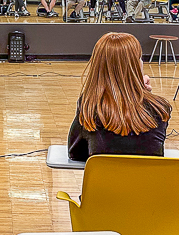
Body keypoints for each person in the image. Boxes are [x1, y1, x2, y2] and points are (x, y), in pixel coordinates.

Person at [68, 32, 172, 160]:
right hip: (148, 180)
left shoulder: (89, 107)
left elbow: (76, 153)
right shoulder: (160, 108)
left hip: (103, 180)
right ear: (134, 66)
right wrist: (144, 95)